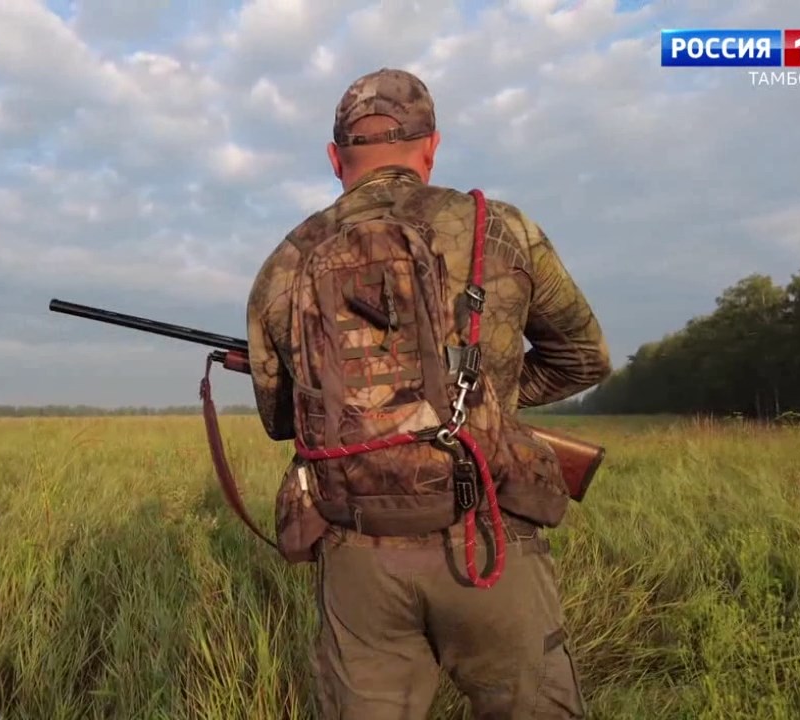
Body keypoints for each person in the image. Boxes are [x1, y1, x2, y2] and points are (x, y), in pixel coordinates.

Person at [245, 68, 612, 719]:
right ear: (432, 147)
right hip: (489, 538)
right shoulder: (500, 229)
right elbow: (585, 357)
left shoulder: (286, 261)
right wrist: (485, 402)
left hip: (359, 558)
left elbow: (283, 420)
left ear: (334, 157)